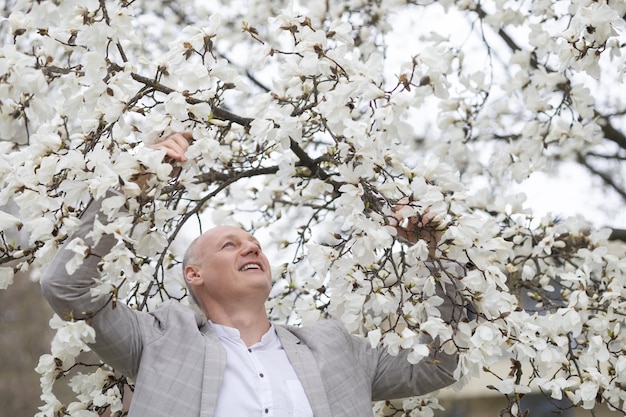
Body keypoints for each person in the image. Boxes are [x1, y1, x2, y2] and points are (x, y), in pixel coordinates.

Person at [41, 133, 463, 417]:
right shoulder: (157, 339)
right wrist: (132, 185)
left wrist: (436, 250)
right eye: (229, 244)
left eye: (254, 243)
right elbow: (68, 289)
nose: (251, 247)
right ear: (194, 274)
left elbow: (437, 365)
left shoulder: (337, 348)